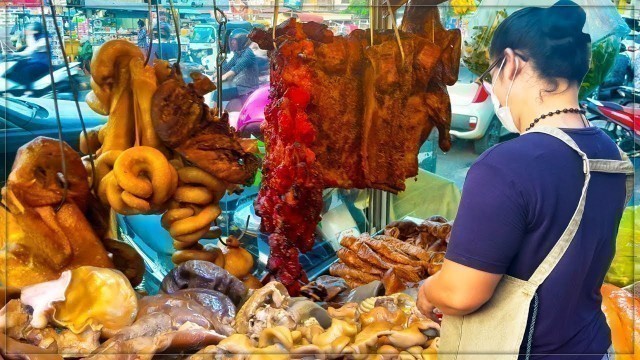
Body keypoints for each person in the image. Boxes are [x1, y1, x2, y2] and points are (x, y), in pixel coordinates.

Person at [417, 1, 633, 360]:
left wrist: (428, 289)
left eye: (491, 74)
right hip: (593, 347)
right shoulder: (611, 154)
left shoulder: (506, 165)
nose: (494, 91)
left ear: (512, 63)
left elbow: (460, 293)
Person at [212, 30, 259, 109]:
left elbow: (236, 68)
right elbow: (227, 67)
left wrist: (222, 78)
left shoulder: (248, 54)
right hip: (240, 87)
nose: (231, 45)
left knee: (217, 95)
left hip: (247, 89)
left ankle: (214, 116)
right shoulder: (238, 53)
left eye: (233, 43)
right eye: (231, 42)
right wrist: (214, 74)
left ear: (241, 42)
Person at [6, 21, 50, 92]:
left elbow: (31, 50)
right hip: (34, 61)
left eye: (30, 29)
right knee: (16, 66)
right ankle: (17, 89)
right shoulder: (34, 37)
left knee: (25, 71)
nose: (27, 31)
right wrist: (13, 54)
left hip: (43, 64)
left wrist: (15, 54)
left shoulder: (44, 39)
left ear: (36, 30)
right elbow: (27, 50)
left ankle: (29, 91)